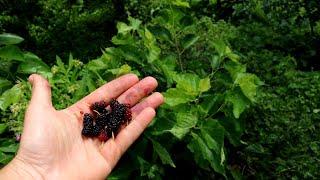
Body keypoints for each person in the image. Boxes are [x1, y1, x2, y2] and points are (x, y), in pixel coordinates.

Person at [0, 74, 164, 179]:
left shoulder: (109, 119)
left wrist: (29, 172)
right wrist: (31, 170)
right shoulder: (101, 121)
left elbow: (107, 121)